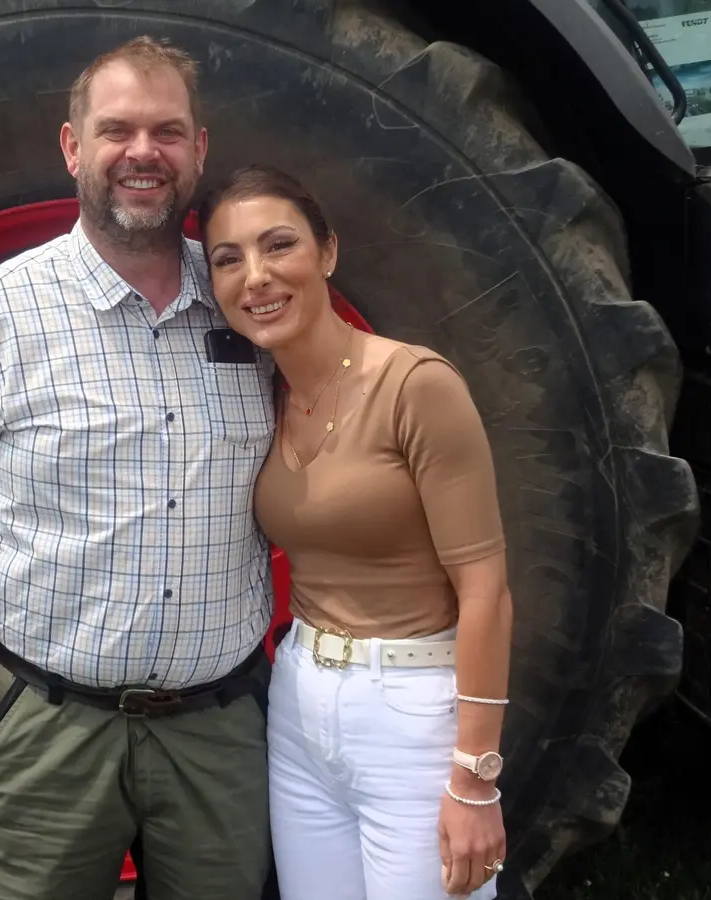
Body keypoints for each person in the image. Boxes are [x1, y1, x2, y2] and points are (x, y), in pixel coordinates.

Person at [0, 37, 276, 900]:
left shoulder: (255, 311)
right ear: (73, 148)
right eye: (117, 130)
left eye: (168, 131)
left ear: (199, 150)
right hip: (43, 733)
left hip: (221, 736)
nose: (144, 152)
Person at [197, 164, 514, 900]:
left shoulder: (415, 385)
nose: (256, 277)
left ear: (328, 252)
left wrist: (474, 776)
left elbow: (487, 592)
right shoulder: (265, 398)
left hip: (411, 711)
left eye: (279, 245)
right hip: (301, 701)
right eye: (227, 259)